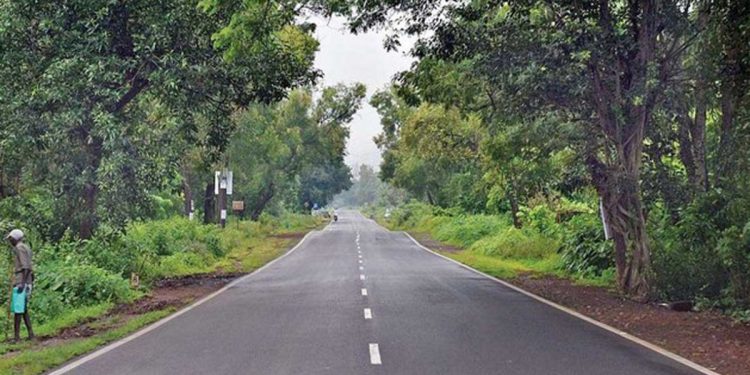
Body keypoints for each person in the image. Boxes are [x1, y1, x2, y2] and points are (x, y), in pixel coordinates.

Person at [6, 229, 34, 341]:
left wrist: (22, 283)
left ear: (15, 238)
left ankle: (17, 337)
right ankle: (30, 334)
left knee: (18, 310)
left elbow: (25, 266)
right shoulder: (26, 247)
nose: (10, 241)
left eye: (10, 239)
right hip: (27, 281)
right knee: (23, 309)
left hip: (21, 281)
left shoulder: (19, 248)